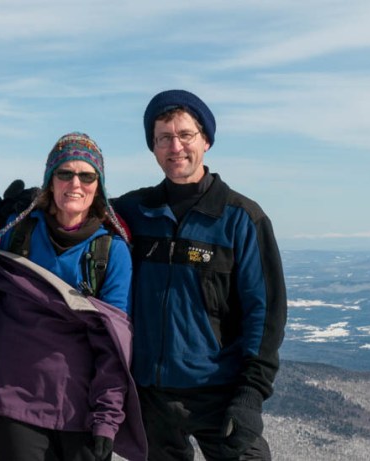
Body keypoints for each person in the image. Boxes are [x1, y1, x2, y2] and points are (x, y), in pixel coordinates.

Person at [112, 90, 287, 461]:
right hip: (151, 398)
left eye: (185, 135)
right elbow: (76, 207)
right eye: (163, 138)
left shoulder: (241, 218)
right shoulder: (134, 211)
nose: (175, 147)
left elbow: (266, 315)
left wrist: (250, 395)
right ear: (153, 147)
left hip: (219, 394)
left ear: (205, 140)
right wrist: (33, 203)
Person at [0, 132, 146, 461]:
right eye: (65, 173)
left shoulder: (109, 251)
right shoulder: (18, 231)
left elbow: (114, 345)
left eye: (87, 175)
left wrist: (107, 419)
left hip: (79, 410)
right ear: (49, 181)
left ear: (98, 186)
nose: (75, 184)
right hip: (10, 401)